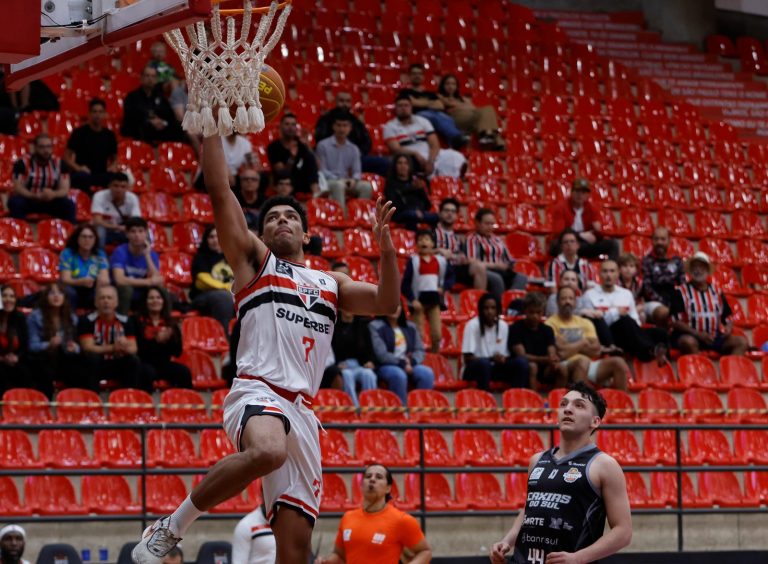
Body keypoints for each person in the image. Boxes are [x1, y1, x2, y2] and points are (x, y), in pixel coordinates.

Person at [132, 128, 401, 564]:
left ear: (307, 234)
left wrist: (386, 250)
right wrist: (212, 127)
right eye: (272, 217)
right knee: (268, 451)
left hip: (304, 413)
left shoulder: (331, 282)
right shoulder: (256, 264)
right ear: (260, 233)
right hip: (259, 391)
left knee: (294, 554)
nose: (281, 221)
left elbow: (388, 303)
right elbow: (220, 191)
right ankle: (171, 527)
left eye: (291, 217)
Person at [490, 382, 632, 564]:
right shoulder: (537, 460)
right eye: (564, 404)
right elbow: (530, 508)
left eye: (579, 405)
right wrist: (507, 541)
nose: (568, 409)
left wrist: (577, 558)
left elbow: (623, 532)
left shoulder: (605, 465)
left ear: (595, 422)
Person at [315, 464, 432, 564]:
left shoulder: (401, 520)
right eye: (368, 476)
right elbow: (340, 555)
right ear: (361, 485)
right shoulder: (348, 517)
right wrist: (326, 561)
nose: (372, 479)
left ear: (388, 488)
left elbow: (425, 552)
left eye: (379, 477)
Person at [583, 260, 667, 365]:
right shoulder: (589, 295)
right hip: (608, 336)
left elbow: (635, 319)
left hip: (629, 331)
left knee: (659, 332)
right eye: (605, 271)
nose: (608, 275)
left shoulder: (626, 294)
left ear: (618, 273)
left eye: (612, 271)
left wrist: (634, 328)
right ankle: (649, 351)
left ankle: (660, 356)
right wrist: (615, 312)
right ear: (599, 274)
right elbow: (592, 324)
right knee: (625, 321)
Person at [545, 286, 629, 390]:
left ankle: (622, 400)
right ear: (557, 302)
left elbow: (596, 351)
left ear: (575, 302)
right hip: (564, 365)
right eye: (563, 298)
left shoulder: (585, 322)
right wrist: (583, 343)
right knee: (582, 361)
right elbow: (561, 353)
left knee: (618, 362)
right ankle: (582, 399)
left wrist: (569, 346)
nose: (567, 302)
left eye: (571, 298)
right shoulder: (550, 324)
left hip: (589, 364)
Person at [670, 252, 748, 356]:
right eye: (695, 267)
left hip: (713, 337)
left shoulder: (716, 291)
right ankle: (698, 366)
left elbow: (728, 317)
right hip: (691, 335)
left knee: (741, 342)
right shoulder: (680, 291)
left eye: (701, 267)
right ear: (690, 271)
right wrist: (698, 334)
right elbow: (675, 322)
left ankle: (729, 366)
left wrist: (728, 329)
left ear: (707, 270)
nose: (698, 270)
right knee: (688, 342)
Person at [78, 284, 147, 392]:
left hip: (117, 363)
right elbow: (88, 347)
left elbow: (134, 349)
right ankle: (93, 398)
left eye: (109, 298)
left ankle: (128, 396)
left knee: (134, 361)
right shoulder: (86, 321)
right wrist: (113, 347)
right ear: (96, 302)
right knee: (91, 359)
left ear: (116, 302)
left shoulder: (126, 321)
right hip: (97, 364)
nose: (106, 301)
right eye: (102, 298)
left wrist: (124, 346)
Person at [331, 262, 377, 407]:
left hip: (359, 364)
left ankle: (370, 407)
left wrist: (369, 361)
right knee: (347, 375)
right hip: (342, 365)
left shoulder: (362, 323)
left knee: (369, 374)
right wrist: (337, 365)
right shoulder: (332, 321)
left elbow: (369, 346)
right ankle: (353, 408)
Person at [369, 304, 435, 404]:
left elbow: (420, 350)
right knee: (399, 375)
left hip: (410, 364)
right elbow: (381, 354)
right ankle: (401, 409)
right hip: (386, 365)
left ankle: (422, 408)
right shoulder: (375, 326)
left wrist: (412, 361)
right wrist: (402, 363)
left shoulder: (411, 326)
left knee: (427, 373)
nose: (395, 308)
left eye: (398, 305)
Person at [461, 293, 528, 390]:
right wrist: (491, 359)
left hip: (495, 367)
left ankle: (515, 396)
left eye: (493, 308)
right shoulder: (472, 325)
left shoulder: (503, 326)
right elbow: (467, 358)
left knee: (521, 363)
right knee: (484, 364)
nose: (489, 311)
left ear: (498, 310)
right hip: (476, 368)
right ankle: (485, 398)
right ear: (480, 310)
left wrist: (502, 358)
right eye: (486, 308)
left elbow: (506, 354)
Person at [401, 229, 454, 353]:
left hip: (434, 302)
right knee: (418, 333)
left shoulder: (440, 261)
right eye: (420, 240)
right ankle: (418, 355)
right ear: (416, 245)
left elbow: (451, 277)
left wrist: (443, 287)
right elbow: (405, 285)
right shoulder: (413, 261)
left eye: (426, 239)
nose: (423, 242)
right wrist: (413, 300)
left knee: (437, 334)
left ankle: (435, 355)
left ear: (432, 244)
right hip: (418, 303)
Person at [314, 91, 389, 176]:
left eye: (348, 101)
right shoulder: (325, 119)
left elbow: (367, 141)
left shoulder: (355, 120)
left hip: (353, 157)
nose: (345, 104)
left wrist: (356, 154)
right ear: (335, 101)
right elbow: (319, 139)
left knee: (384, 163)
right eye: (341, 101)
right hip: (331, 157)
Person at [26, 282, 81, 397]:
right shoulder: (35, 317)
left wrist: (74, 347)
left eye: (60, 293)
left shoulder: (72, 317)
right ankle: (45, 402)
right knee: (42, 363)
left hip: (63, 359)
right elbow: (32, 346)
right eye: (52, 293)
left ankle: (72, 401)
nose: (56, 296)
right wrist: (49, 344)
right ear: (45, 297)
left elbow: (78, 345)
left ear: (65, 297)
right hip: (43, 359)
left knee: (77, 363)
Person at [9, 133, 76, 223]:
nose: (46, 150)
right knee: (15, 203)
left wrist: (54, 194)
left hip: (50, 200)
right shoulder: (22, 163)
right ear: (35, 148)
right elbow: (18, 188)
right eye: (42, 147)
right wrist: (33, 195)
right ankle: (20, 229)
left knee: (69, 205)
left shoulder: (60, 164)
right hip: (29, 199)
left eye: (48, 147)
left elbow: (64, 189)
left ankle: (69, 230)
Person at [134, 287, 192, 389]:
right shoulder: (136, 321)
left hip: (164, 364)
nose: (155, 301)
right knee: (147, 372)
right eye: (151, 298)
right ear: (145, 301)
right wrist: (156, 340)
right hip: (144, 363)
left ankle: (184, 399)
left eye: (158, 298)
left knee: (184, 372)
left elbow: (177, 352)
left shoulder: (170, 323)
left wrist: (170, 339)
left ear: (163, 301)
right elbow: (138, 349)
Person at [465, 208, 528, 300]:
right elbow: (472, 261)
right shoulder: (472, 239)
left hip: (501, 270)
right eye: (487, 224)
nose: (490, 227)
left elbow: (508, 259)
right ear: (478, 223)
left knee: (521, 278)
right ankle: (499, 305)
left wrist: (510, 265)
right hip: (485, 271)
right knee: (497, 279)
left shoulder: (498, 239)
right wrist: (496, 265)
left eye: (492, 224)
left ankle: (511, 303)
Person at [399, 63, 467, 148]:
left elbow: (440, 106)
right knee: (431, 114)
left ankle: (454, 141)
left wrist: (420, 102)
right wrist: (430, 103)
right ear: (410, 76)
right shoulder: (405, 92)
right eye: (414, 74)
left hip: (434, 115)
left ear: (423, 76)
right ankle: (456, 137)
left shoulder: (430, 93)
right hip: (416, 117)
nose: (417, 76)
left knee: (445, 117)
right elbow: (411, 103)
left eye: (419, 74)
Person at [548, 178, 619, 260]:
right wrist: (581, 235)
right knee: (559, 245)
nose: (580, 195)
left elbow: (599, 234)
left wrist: (598, 231)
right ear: (572, 192)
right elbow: (560, 233)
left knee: (613, 244)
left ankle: (610, 267)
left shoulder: (592, 208)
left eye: (584, 192)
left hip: (584, 244)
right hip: (567, 243)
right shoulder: (561, 207)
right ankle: (567, 266)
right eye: (577, 191)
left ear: (587, 195)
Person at [508, 292, 566, 390]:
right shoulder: (515, 328)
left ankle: (558, 397)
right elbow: (522, 355)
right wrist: (546, 359)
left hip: (545, 368)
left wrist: (553, 360)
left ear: (543, 312)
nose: (535, 316)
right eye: (531, 312)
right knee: (533, 366)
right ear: (525, 311)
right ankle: (534, 398)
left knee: (561, 368)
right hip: (524, 367)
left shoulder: (548, 330)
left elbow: (551, 353)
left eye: (538, 312)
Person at [315, 114, 373, 210]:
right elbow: (322, 170)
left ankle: (359, 214)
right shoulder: (323, 145)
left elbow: (357, 171)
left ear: (350, 128)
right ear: (333, 126)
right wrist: (339, 179)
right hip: (328, 181)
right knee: (338, 185)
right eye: (339, 125)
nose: (341, 129)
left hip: (347, 181)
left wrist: (354, 180)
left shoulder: (354, 148)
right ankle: (342, 216)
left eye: (345, 125)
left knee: (366, 186)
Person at [110, 216, 163, 315]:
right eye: (133, 231)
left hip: (141, 292)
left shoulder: (152, 254)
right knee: (127, 289)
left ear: (146, 233)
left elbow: (157, 281)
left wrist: (147, 256)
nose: (137, 235)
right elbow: (119, 280)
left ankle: (161, 321)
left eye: (140, 231)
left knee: (161, 291)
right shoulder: (120, 251)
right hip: (121, 292)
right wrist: (148, 282)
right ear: (127, 234)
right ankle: (121, 319)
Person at [63, 97, 119, 191]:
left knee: (117, 179)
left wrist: (112, 167)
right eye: (95, 112)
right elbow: (66, 157)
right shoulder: (79, 133)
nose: (97, 115)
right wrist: (78, 168)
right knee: (80, 178)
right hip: (83, 173)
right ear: (89, 113)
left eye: (100, 112)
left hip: (102, 173)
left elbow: (115, 158)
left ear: (105, 114)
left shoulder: (109, 135)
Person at [437, 73, 504, 150]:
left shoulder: (462, 99)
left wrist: (462, 106)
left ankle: (488, 136)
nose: (450, 86)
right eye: (447, 84)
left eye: (453, 84)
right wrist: (460, 106)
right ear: (443, 85)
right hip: (456, 121)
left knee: (489, 109)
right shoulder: (440, 97)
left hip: (470, 120)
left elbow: (473, 108)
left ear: (456, 86)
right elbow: (445, 106)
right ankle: (493, 139)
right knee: (486, 111)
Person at [189, 226, 235, 335]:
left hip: (229, 294)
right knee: (224, 297)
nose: (215, 240)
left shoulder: (231, 256)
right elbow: (202, 281)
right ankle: (223, 339)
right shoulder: (201, 257)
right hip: (203, 296)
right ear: (206, 240)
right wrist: (227, 287)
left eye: (218, 236)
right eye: (211, 237)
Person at [120, 65, 183, 144]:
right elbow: (130, 117)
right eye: (147, 76)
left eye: (153, 76)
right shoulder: (132, 97)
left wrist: (162, 122)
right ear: (141, 78)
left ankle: (172, 150)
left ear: (156, 80)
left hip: (159, 128)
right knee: (146, 127)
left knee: (178, 128)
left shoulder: (160, 96)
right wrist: (149, 121)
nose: (150, 79)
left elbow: (169, 115)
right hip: (139, 128)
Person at [434, 198, 487, 290]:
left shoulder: (458, 238)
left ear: (456, 216)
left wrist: (462, 258)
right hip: (439, 267)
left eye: (453, 211)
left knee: (479, 266)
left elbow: (464, 256)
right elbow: (418, 252)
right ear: (440, 213)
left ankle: (478, 298)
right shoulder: (432, 233)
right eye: (446, 211)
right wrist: (437, 250)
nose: (450, 214)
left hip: (456, 267)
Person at [382, 94, 440, 176]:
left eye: (406, 105)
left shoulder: (423, 121)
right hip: (409, 156)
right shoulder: (390, 126)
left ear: (411, 107)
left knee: (454, 156)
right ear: (396, 108)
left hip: (430, 155)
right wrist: (415, 154)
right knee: (408, 162)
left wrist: (431, 161)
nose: (403, 108)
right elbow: (396, 149)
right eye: (400, 106)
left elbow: (434, 144)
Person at [266, 113, 320, 197]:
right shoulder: (274, 147)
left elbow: (317, 166)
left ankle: (316, 194)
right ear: (281, 127)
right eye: (287, 124)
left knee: (310, 161)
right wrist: (292, 157)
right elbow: (281, 173)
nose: (290, 127)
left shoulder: (301, 144)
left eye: (293, 124)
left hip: (303, 182)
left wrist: (308, 146)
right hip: (285, 184)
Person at [641, 227, 685, 328]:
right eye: (656, 239)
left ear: (669, 240)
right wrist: (664, 302)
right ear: (652, 241)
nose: (659, 242)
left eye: (663, 239)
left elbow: (683, 284)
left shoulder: (677, 260)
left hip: (673, 299)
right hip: (653, 302)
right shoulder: (646, 261)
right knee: (664, 313)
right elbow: (647, 288)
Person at [59, 223, 110, 309]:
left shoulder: (100, 254)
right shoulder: (67, 253)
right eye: (84, 237)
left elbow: (105, 278)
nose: (87, 240)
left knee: (105, 290)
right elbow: (65, 279)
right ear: (77, 239)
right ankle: (70, 316)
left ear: (95, 239)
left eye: (91, 237)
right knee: (69, 292)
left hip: (92, 289)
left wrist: (100, 281)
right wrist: (81, 281)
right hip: (73, 287)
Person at [384, 154, 438, 231]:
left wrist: (420, 190)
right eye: (400, 163)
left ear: (409, 166)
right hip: (400, 214)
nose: (403, 166)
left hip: (418, 213)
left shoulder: (415, 183)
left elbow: (427, 205)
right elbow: (394, 205)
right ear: (395, 166)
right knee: (411, 215)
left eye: (406, 163)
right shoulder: (391, 184)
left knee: (438, 217)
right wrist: (414, 211)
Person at [91, 172, 142, 246]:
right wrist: (116, 227)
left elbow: (136, 221)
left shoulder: (133, 198)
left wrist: (126, 228)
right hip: (107, 228)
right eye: (116, 186)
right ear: (109, 186)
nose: (119, 189)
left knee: (141, 232)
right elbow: (97, 221)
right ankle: (99, 252)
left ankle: (141, 252)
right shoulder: (99, 196)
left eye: (123, 187)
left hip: (125, 229)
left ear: (127, 188)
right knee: (99, 229)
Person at [0, 286, 30, 394]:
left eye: (12, 296)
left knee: (25, 372)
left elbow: (25, 346)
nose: (8, 299)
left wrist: (17, 357)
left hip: (15, 360)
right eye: (4, 296)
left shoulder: (20, 318)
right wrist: (2, 359)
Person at [617, 253, 645, 324]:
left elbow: (642, 302)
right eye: (625, 266)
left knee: (642, 315)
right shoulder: (615, 283)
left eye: (631, 266)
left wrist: (634, 310)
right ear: (619, 269)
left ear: (636, 269)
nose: (628, 269)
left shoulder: (639, 283)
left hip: (634, 308)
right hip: (619, 309)